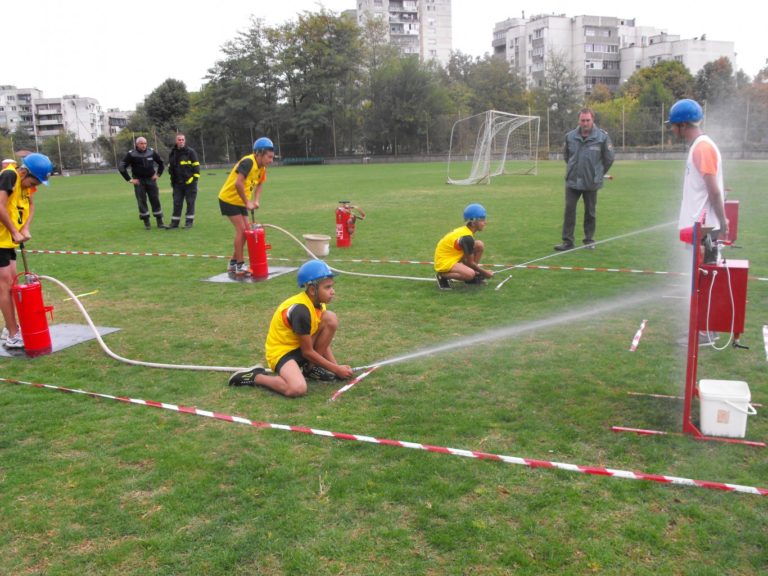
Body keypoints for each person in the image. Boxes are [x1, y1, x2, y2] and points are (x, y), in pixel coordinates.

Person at [228, 260, 354, 397]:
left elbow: (322, 340)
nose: (332, 292)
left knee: (331, 318)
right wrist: (336, 369)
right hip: (282, 352)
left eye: (332, 286)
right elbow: (307, 352)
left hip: (301, 347)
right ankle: (256, 377)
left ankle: (310, 369)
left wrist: (336, 367)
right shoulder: (301, 310)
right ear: (312, 290)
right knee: (297, 388)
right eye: (327, 287)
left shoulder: (318, 304)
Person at [0, 153, 53, 349]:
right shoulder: (9, 176)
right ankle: (13, 335)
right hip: (1, 240)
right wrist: (14, 230)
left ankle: (9, 328)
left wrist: (25, 228)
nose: (36, 186)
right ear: (24, 172)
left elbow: (30, 206)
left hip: (8, 241)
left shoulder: (26, 186)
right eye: (35, 181)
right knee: (4, 287)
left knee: (12, 285)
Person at [667, 98, 728, 259]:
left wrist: (723, 221)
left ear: (683, 125)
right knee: (699, 280)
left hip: (705, 229)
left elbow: (713, 191)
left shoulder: (702, 148)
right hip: (699, 228)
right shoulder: (698, 146)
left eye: (673, 124)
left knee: (706, 279)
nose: (672, 129)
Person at [554, 108, 614, 251]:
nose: (585, 123)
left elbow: (609, 158)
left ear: (592, 120)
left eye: (588, 120)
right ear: (578, 120)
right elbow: (567, 156)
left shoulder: (602, 137)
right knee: (569, 211)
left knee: (590, 212)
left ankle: (589, 241)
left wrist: (598, 173)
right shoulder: (570, 137)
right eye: (582, 120)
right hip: (572, 181)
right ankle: (568, 242)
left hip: (591, 182)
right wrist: (574, 170)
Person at [217, 137, 275, 276]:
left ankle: (233, 262)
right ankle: (240, 265)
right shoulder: (248, 162)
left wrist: (256, 200)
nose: (271, 160)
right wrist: (247, 202)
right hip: (229, 199)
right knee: (242, 230)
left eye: (273, 157)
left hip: (241, 201)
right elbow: (238, 183)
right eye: (269, 157)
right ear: (259, 153)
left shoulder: (262, 168)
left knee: (247, 231)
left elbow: (260, 183)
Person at [434, 203, 494, 290]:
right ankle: (442, 275)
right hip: (444, 261)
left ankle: (471, 276)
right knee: (470, 274)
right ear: (473, 223)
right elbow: (470, 262)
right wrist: (484, 273)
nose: (485, 222)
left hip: (453, 255)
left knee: (479, 245)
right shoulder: (467, 238)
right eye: (482, 220)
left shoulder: (466, 232)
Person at [118, 136, 167, 230]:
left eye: (145, 143)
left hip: (151, 180)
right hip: (139, 181)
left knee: (155, 199)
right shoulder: (131, 154)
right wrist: (129, 179)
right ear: (137, 144)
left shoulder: (151, 152)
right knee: (141, 201)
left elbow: (161, 163)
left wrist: (158, 174)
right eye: (141, 143)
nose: (144, 145)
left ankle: (160, 222)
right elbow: (121, 167)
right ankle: (146, 222)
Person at [167, 133, 200, 229]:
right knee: (177, 202)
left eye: (182, 139)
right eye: (179, 139)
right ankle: (174, 223)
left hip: (190, 183)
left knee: (190, 202)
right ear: (176, 141)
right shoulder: (172, 153)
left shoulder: (190, 152)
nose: (181, 141)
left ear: (184, 141)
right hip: (177, 184)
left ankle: (189, 223)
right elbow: (170, 167)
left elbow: (196, 167)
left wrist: (193, 180)